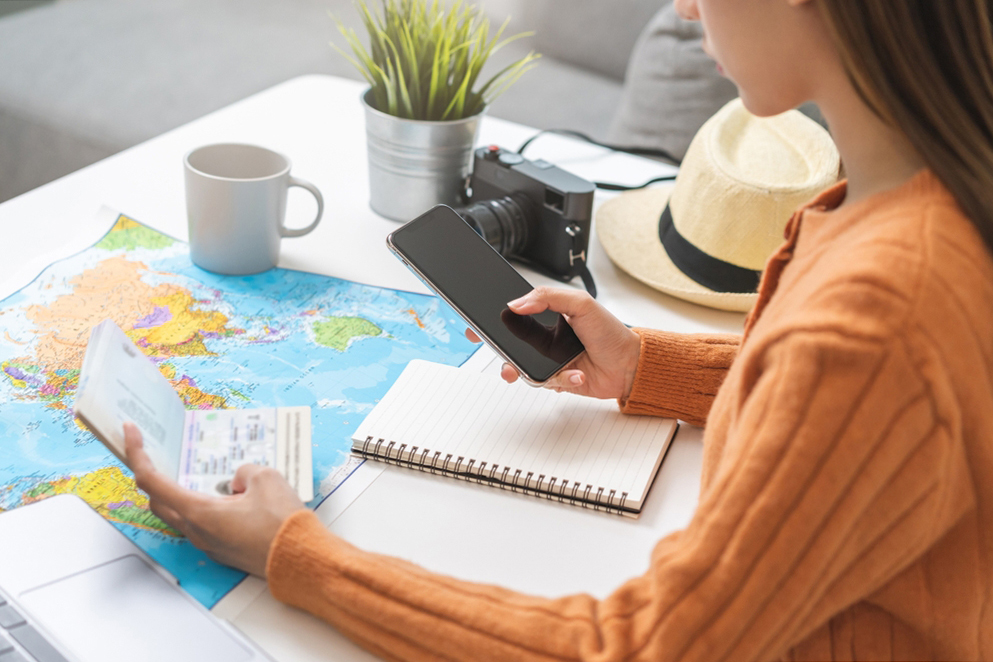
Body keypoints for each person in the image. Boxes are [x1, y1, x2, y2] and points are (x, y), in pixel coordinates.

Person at [122, 0, 993, 659]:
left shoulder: (881, 316)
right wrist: (649, 364)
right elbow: (862, 417)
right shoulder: (930, 201)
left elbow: (642, 647)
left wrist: (295, 554)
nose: (685, 12)